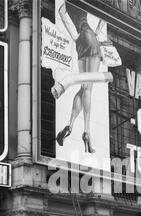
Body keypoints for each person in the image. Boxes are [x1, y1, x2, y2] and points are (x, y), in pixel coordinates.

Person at [55, 0, 112, 153]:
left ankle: (70, 124)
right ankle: (87, 132)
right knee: (88, 89)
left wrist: (75, 35)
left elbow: (61, 12)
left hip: (79, 40)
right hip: (90, 37)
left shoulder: (67, 2)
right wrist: (97, 32)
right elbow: (105, 15)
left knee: (83, 86)